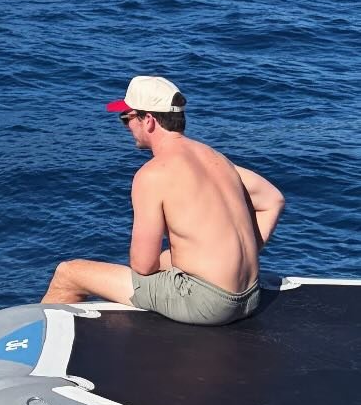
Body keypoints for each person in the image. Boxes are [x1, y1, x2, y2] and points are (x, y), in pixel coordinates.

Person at [43, 75, 284, 326]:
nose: (126, 127)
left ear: (148, 120)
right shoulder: (216, 158)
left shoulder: (152, 174)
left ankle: (37, 342)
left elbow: (143, 266)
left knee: (69, 274)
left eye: (126, 118)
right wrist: (243, 257)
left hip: (208, 304)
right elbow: (272, 200)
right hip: (249, 295)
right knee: (170, 258)